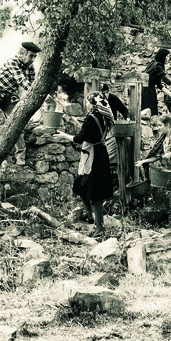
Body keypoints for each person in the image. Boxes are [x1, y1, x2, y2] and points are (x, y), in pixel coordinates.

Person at [56, 93, 115, 236]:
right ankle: (90, 215)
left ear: (92, 103)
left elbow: (79, 138)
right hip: (100, 152)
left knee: (95, 192)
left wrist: (63, 135)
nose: (86, 104)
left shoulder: (91, 117)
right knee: (81, 185)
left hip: (93, 155)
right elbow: (91, 132)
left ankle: (99, 227)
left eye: (87, 101)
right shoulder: (103, 115)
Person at [142, 48, 171, 116]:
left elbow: (159, 84)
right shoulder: (157, 65)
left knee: (150, 110)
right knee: (148, 110)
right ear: (163, 57)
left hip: (148, 89)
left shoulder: (154, 64)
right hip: (147, 90)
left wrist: (170, 94)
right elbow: (165, 79)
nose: (168, 58)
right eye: (166, 56)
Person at [98, 83, 130, 164]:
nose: (103, 96)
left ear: (108, 92)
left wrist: (127, 118)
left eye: (105, 93)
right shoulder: (98, 99)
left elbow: (123, 109)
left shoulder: (113, 98)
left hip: (111, 126)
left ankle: (112, 163)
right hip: (101, 126)